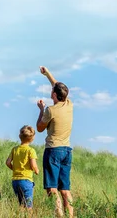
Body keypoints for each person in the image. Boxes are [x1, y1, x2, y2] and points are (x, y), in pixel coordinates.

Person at [36, 66, 74, 217]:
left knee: (52, 188)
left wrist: (41, 109)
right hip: (67, 150)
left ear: (55, 95)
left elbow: (39, 128)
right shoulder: (69, 104)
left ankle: (59, 215)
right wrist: (48, 74)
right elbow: (57, 85)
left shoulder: (50, 110)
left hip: (53, 150)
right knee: (65, 190)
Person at [5, 125, 40, 212]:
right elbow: (33, 165)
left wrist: (15, 169)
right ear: (32, 138)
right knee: (28, 206)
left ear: (20, 136)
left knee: (21, 204)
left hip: (15, 181)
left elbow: (8, 162)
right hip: (26, 181)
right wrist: (37, 171)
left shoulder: (15, 149)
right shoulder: (31, 150)